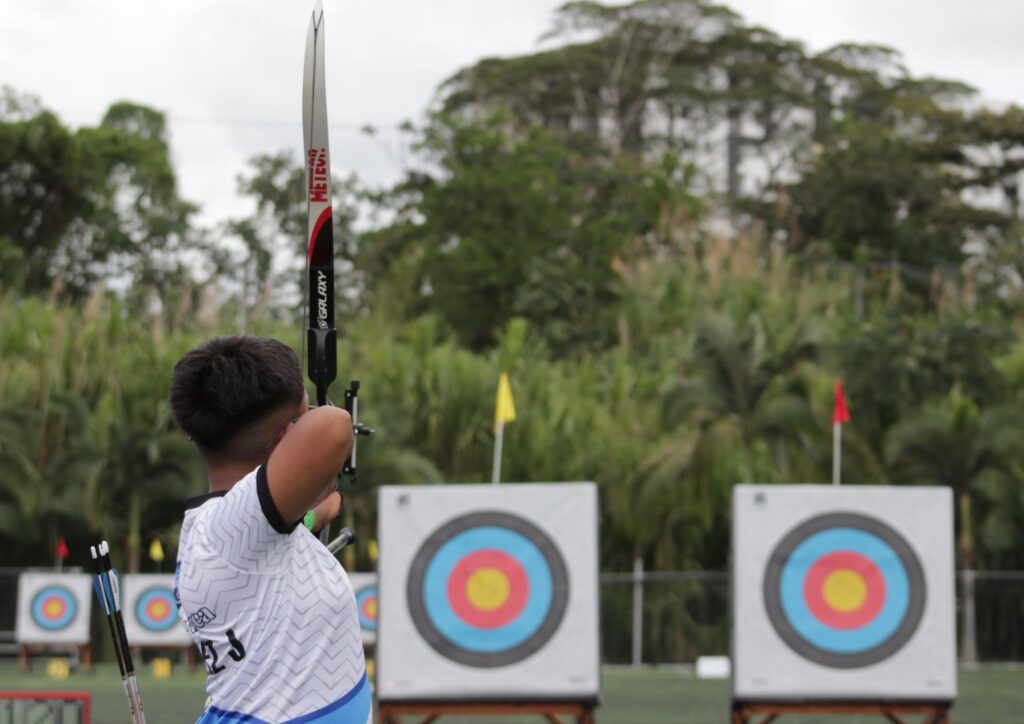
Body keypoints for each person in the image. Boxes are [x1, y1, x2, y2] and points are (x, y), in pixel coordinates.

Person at [169, 335, 370, 723]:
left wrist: (320, 511)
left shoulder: (228, 532)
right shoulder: (231, 529)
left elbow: (294, 529)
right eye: (299, 419)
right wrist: (306, 420)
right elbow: (333, 426)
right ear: (286, 435)